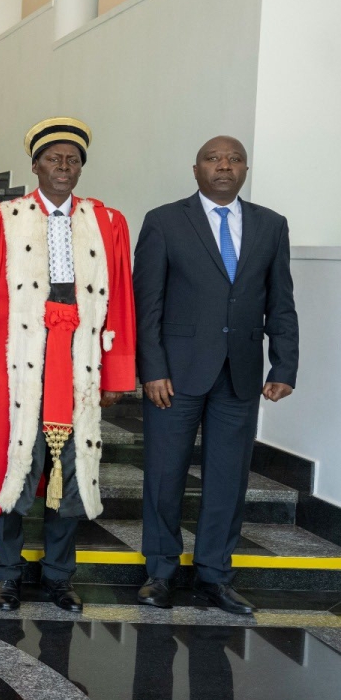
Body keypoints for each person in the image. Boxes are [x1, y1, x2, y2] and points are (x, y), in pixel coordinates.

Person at [0, 118, 136, 612]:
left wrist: (117, 372)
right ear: (35, 165)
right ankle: (7, 575)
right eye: (53, 158)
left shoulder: (108, 223)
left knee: (72, 471)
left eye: (72, 159)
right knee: (12, 468)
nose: (64, 166)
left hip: (78, 363)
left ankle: (59, 577)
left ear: (81, 167)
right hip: (16, 362)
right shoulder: (2, 218)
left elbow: (119, 297)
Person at [134, 136, 298, 614]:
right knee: (165, 474)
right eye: (213, 159)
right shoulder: (164, 221)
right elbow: (148, 304)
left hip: (242, 373)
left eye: (233, 159)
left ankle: (214, 575)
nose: (223, 165)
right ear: (196, 169)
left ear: (245, 169)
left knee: (228, 478)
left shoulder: (271, 225)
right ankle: (160, 572)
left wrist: (284, 363)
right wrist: (153, 368)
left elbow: (281, 301)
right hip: (175, 375)